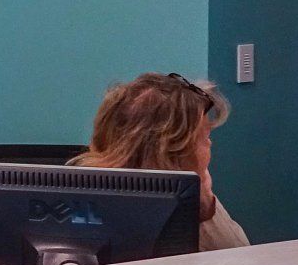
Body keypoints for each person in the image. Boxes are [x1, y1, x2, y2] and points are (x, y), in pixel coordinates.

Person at [70, 73, 248, 252]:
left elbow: (241, 261)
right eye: (204, 137)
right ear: (171, 151)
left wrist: (206, 207)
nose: (210, 144)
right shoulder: (82, 208)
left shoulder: (196, 196)